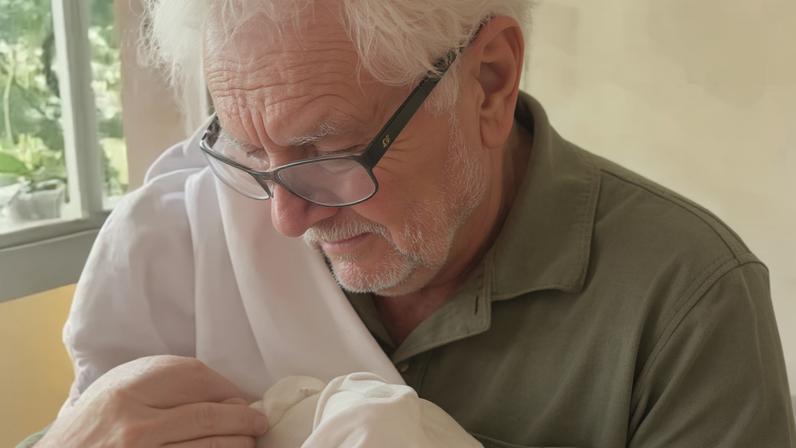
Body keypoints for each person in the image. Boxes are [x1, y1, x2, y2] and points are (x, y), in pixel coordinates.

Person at [20, 1, 796, 447]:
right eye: (252, 151)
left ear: (489, 80)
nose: (287, 219)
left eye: (328, 150)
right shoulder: (179, 246)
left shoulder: (687, 299)